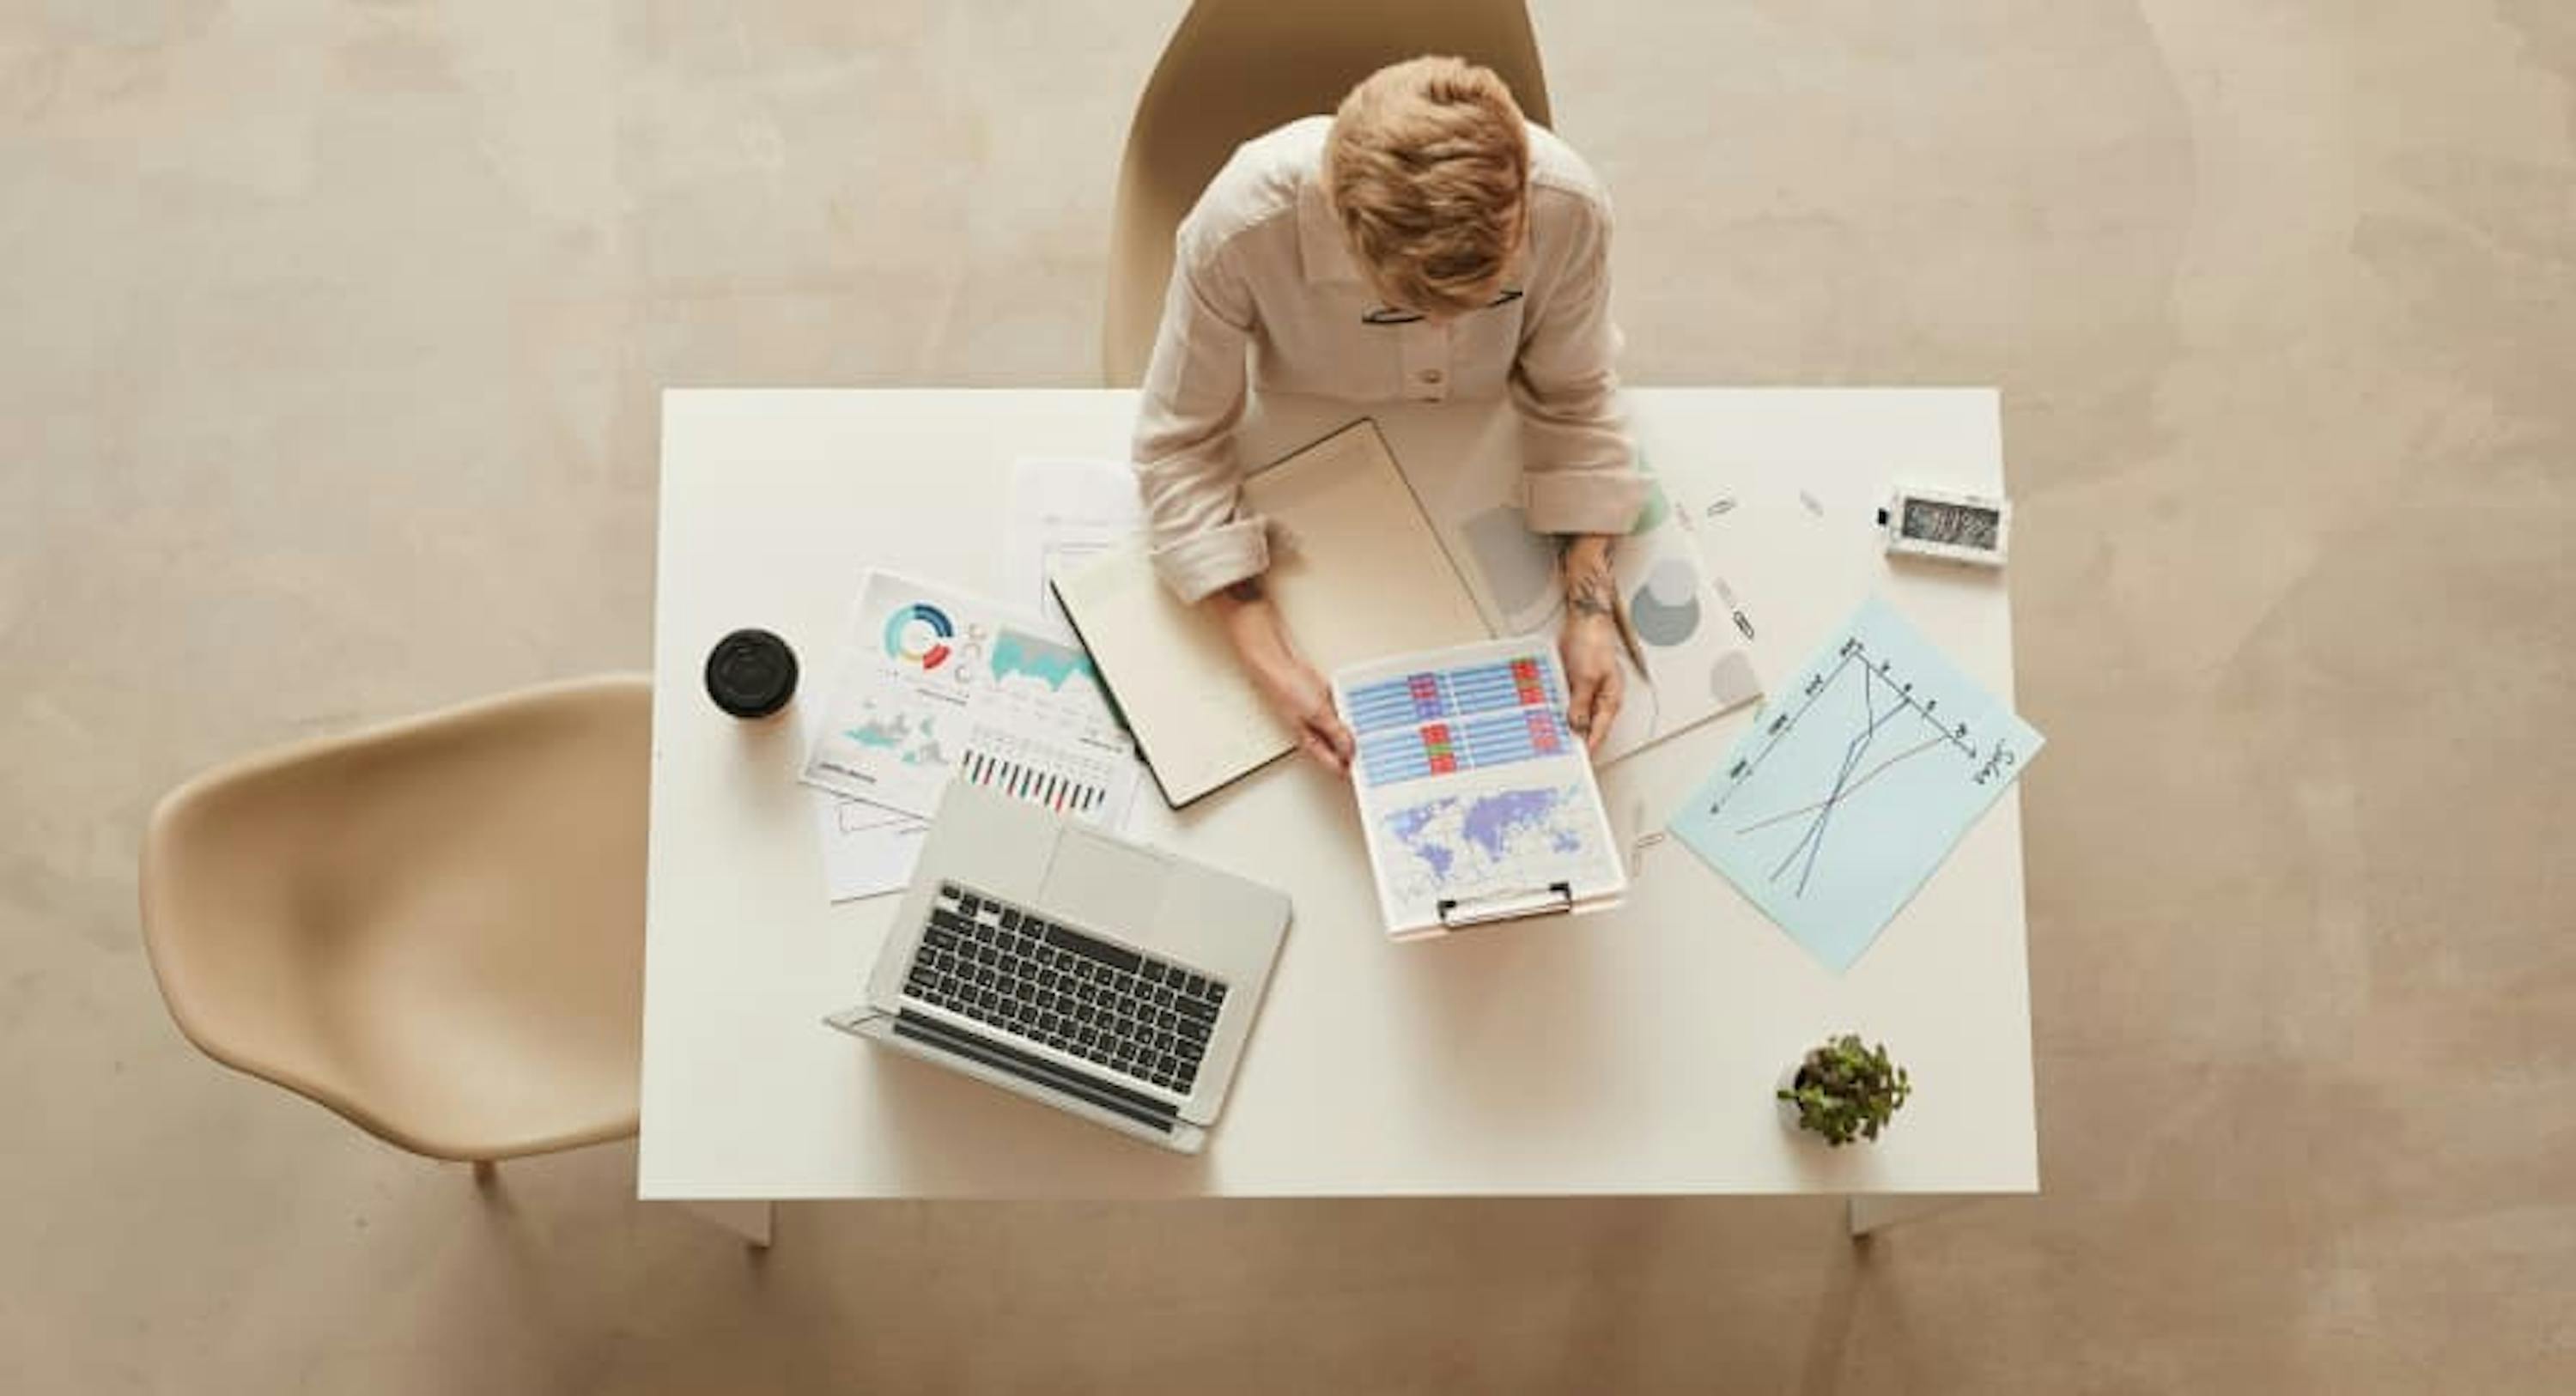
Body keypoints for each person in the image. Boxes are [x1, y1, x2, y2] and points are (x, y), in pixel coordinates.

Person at [1131, 56, 1644, 773]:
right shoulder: (1238, 227)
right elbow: (1178, 445)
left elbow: (1579, 395)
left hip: (1477, 468)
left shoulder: (1571, 206)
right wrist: (1265, 655)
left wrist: (1591, 617)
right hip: (1309, 471)